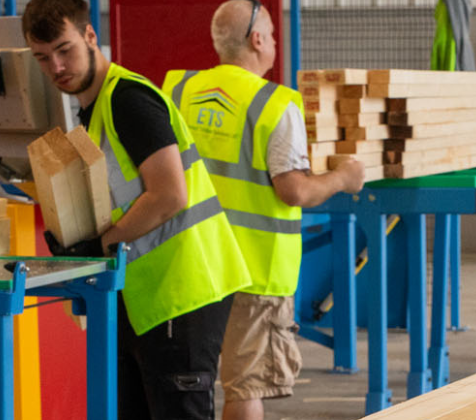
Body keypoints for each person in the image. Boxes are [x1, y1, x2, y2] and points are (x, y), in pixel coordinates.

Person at [22, 1, 252, 418]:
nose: (56, 66)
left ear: (91, 37)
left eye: (64, 49)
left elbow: (170, 195)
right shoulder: (94, 113)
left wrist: (98, 244)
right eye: (42, 57)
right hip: (146, 296)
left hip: (182, 292)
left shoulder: (128, 99)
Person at [161, 2, 367, 419]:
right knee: (245, 386)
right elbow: (293, 190)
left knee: (185, 382)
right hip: (253, 269)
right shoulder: (274, 104)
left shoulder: (177, 91)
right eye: (272, 35)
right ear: (257, 40)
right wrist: (344, 178)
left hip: (190, 263)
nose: (273, 43)